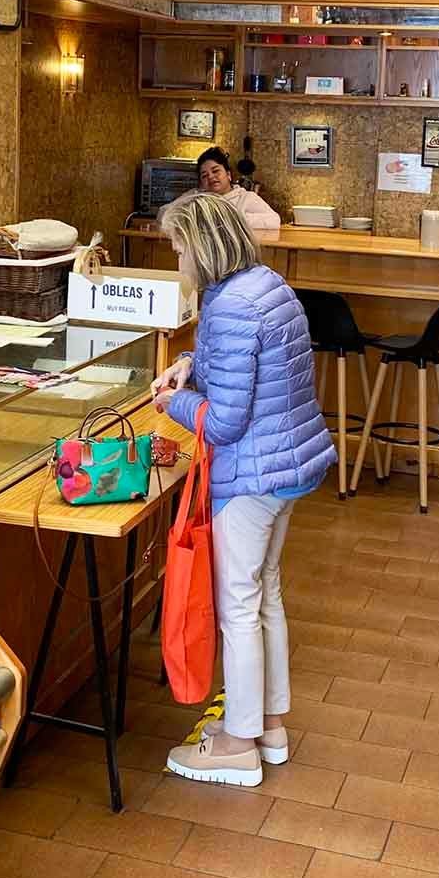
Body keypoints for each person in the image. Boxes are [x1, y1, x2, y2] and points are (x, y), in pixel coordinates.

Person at [152, 192, 334, 786]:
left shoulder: (229, 306)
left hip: (252, 475)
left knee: (237, 606)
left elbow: (226, 422)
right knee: (265, 595)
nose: (177, 257)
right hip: (290, 467)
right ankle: (269, 726)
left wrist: (172, 400)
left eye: (178, 246)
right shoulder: (266, 285)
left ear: (200, 246)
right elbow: (245, 367)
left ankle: (236, 743)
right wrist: (191, 364)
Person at [167, 147, 281, 231]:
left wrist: (230, 219)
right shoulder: (194, 197)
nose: (211, 177)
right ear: (201, 183)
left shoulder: (246, 198)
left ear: (228, 175)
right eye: (204, 175)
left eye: (216, 171)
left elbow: (274, 220)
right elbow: (164, 213)